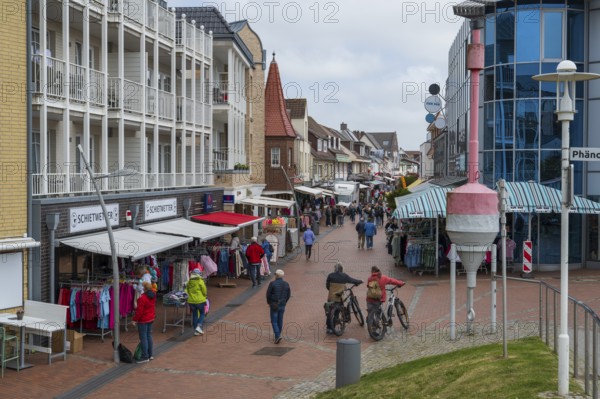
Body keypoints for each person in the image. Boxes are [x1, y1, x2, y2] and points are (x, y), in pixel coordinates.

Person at [325, 263, 362, 334]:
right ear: (341, 269)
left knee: (330, 313)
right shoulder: (344, 276)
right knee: (337, 312)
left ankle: (329, 328)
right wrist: (359, 281)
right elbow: (353, 280)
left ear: (335, 269)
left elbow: (327, 286)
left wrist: (332, 290)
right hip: (339, 298)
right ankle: (336, 324)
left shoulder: (330, 275)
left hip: (331, 297)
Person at [132, 281, 156, 363]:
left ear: (144, 289)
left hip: (143, 320)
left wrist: (134, 320)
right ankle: (150, 354)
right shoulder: (153, 296)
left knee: (143, 338)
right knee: (149, 335)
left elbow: (139, 311)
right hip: (150, 318)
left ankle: (145, 356)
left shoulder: (142, 298)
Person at [266, 269, 291, 344]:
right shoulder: (286, 284)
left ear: (276, 275)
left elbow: (268, 294)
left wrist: (269, 302)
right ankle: (278, 335)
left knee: (274, 321)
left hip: (274, 304)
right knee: (280, 320)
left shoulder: (272, 283)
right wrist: (284, 301)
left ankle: (277, 335)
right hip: (282, 304)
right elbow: (288, 295)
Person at [185, 268, 207, 336]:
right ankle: (199, 326)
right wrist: (205, 296)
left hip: (191, 302)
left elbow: (186, 290)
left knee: (195, 315)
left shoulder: (189, 281)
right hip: (200, 301)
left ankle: (196, 331)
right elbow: (204, 291)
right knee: (202, 313)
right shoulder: (200, 281)